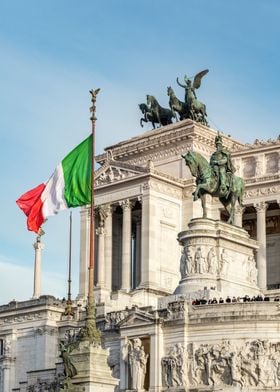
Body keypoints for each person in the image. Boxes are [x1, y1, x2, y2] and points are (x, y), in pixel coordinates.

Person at [210, 133, 236, 198]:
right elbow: (211, 161)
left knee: (221, 172)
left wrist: (217, 162)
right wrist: (212, 163)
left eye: (219, 145)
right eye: (217, 145)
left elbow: (225, 160)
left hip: (222, 167)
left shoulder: (224, 153)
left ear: (221, 146)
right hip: (214, 167)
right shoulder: (214, 154)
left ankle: (223, 185)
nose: (218, 147)